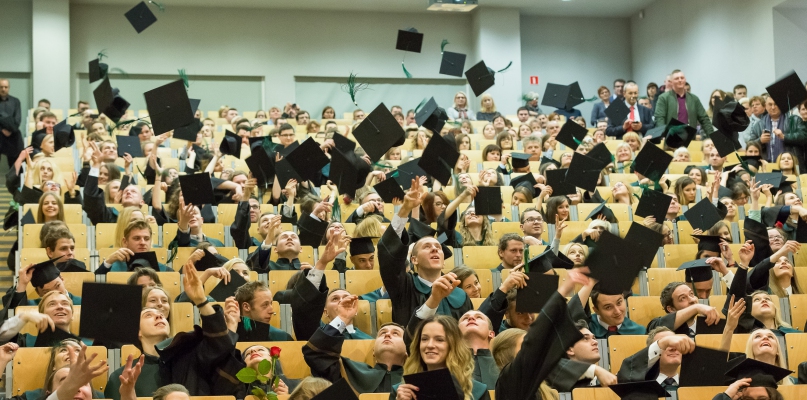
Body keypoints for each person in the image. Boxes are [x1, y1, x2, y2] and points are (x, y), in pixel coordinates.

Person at [379, 177, 471, 327]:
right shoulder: (404, 286)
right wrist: (405, 209)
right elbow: (388, 256)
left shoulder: (460, 295)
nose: (435, 248)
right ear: (414, 259)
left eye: (438, 247)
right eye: (427, 246)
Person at [492, 269, 590, 400]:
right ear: (507, 353)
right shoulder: (508, 381)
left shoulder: (542, 387)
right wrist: (562, 291)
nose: (534, 350)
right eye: (524, 346)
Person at [155, 261, 248, 394]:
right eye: (148, 314)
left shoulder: (187, 351)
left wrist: (201, 301)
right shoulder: (132, 368)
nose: (158, 316)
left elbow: (218, 347)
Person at [303, 294, 407, 394]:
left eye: (396, 334)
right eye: (382, 333)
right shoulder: (350, 370)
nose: (387, 334)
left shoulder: (414, 379)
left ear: (407, 350)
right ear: (373, 351)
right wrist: (342, 318)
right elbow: (315, 354)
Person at [393, 315, 490, 400]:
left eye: (439, 340)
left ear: (453, 346)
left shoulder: (478, 392)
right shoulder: (401, 392)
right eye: (424, 339)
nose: (430, 345)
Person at [105, 309, 170, 400]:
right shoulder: (120, 377)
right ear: (137, 331)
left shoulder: (187, 366)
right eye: (148, 315)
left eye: (162, 315)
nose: (159, 316)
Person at [546, 320, 617, 391]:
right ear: (569, 349)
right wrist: (594, 369)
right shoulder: (551, 373)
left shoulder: (606, 382)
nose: (595, 342)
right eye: (585, 338)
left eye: (594, 338)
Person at [616, 326, 695, 389]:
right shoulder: (636, 385)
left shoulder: (694, 386)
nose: (673, 348)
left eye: (676, 343)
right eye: (666, 344)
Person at [569, 279, 646, 338]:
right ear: (596, 310)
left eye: (619, 303)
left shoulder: (640, 332)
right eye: (608, 307)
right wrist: (591, 282)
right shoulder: (587, 328)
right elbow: (567, 320)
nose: (617, 311)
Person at [746, 96, 807, 165]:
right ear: (765, 106)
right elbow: (750, 144)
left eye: (776, 104)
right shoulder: (758, 125)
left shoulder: (794, 120)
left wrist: (785, 137)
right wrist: (760, 140)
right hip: (767, 164)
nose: (773, 107)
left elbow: (804, 136)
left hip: (791, 165)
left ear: (781, 105)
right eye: (770, 104)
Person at [96, 220, 172, 274]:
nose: (142, 242)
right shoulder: (112, 268)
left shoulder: (166, 271)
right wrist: (109, 261)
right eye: (136, 238)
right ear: (125, 242)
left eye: (146, 239)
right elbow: (95, 286)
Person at [654, 69, 715, 136]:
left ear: (685, 80)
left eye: (682, 78)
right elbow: (659, 118)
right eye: (676, 78)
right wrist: (662, 135)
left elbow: (704, 119)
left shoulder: (694, 99)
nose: (680, 80)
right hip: (671, 138)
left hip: (690, 138)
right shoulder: (663, 98)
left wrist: (712, 137)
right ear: (671, 82)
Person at [0, 79, 23, 168]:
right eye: (1, 87)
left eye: (5, 87)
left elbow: (17, 119)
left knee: (14, 164)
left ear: (9, 88)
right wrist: (2, 129)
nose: (3, 89)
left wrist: (10, 129)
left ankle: (13, 182)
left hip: (12, 134)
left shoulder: (15, 101)